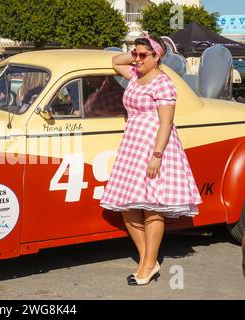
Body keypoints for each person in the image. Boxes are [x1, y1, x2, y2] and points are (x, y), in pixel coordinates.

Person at [100, 32, 202, 286]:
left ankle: (147, 263)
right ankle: (148, 258)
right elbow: (116, 61)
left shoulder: (163, 83)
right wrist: (137, 50)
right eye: (135, 53)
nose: (136, 59)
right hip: (132, 145)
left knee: (152, 207)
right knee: (128, 207)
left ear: (157, 57)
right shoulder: (135, 76)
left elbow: (166, 123)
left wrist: (157, 156)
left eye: (143, 55)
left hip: (156, 145)